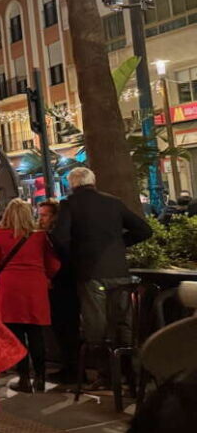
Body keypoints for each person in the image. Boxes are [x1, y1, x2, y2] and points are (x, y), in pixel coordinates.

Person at [51, 167, 153, 389]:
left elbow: (60, 238)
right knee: (124, 323)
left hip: (90, 273)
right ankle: (131, 373)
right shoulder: (114, 202)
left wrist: (76, 256)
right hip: (120, 272)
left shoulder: (69, 204)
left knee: (96, 325)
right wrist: (118, 245)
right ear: (93, 181)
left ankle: (106, 376)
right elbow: (144, 230)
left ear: (72, 184)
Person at [0, 199, 61, 393]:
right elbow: (53, 264)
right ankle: (41, 378)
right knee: (36, 333)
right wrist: (47, 277)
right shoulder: (40, 236)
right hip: (35, 287)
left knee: (16, 335)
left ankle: (24, 378)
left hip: (9, 288)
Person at [38, 199, 79, 383]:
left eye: (44, 215)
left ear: (55, 217)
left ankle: (73, 369)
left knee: (66, 329)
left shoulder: (57, 237)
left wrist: (51, 278)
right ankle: (69, 367)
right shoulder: (53, 235)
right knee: (62, 330)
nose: (41, 219)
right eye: (40, 215)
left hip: (63, 287)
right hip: (60, 286)